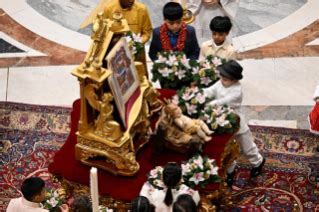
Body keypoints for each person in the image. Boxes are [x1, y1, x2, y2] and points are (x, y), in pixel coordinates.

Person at [203, 60, 265, 186]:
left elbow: (222, 102)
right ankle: (230, 172)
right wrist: (199, 94)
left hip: (234, 120)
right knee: (225, 147)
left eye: (226, 79)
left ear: (234, 80)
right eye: (221, 77)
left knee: (247, 146)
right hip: (219, 120)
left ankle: (258, 162)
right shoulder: (220, 82)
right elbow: (210, 91)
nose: (222, 80)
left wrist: (207, 104)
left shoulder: (236, 91)